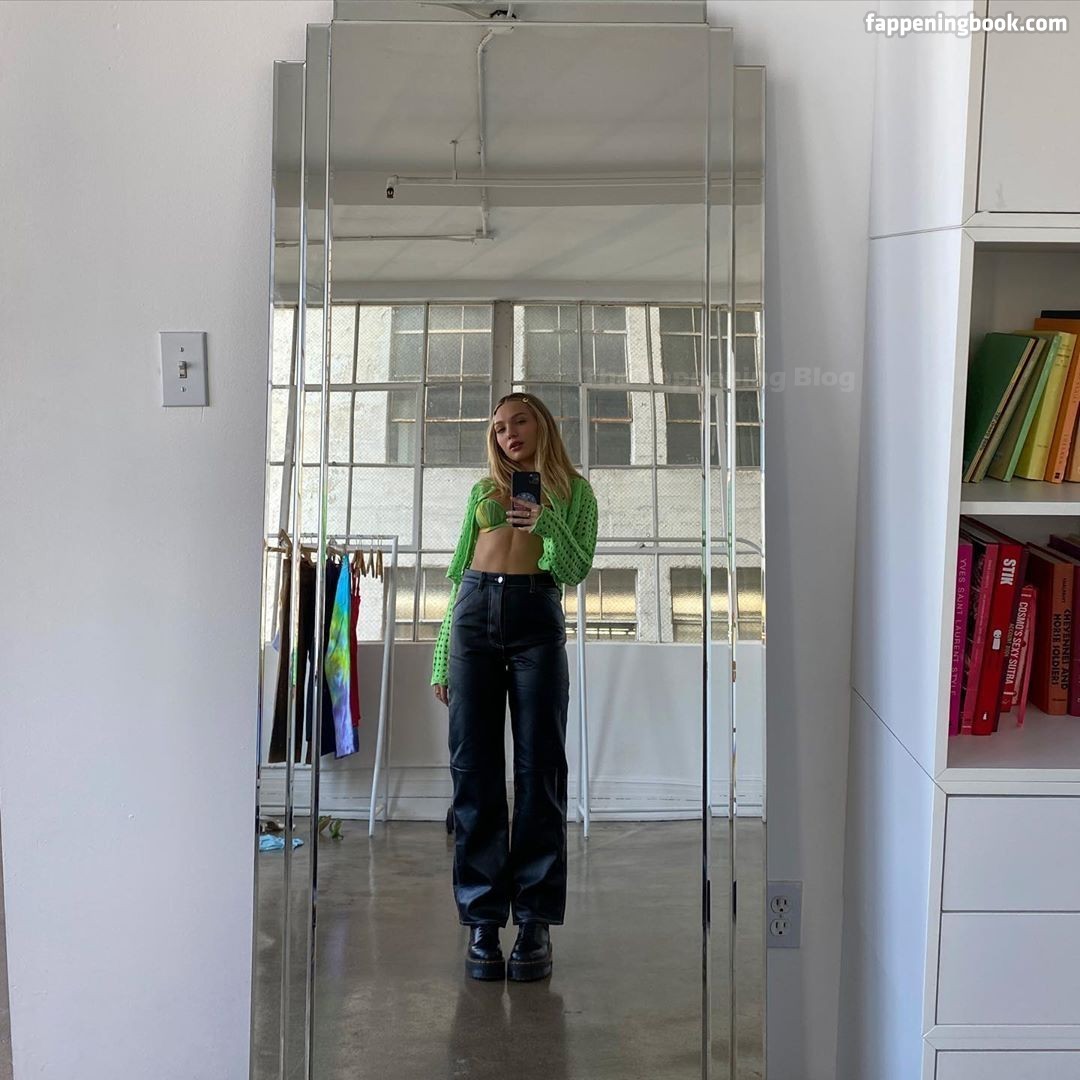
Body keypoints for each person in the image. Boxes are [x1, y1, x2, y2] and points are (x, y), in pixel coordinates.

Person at [431, 391, 598, 981]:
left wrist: (544, 519)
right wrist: (441, 656)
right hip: (474, 614)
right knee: (473, 771)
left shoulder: (576, 492)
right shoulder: (483, 492)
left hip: (536, 618)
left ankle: (534, 923)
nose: (509, 434)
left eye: (518, 421)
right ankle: (482, 921)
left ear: (541, 424)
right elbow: (459, 570)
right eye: (499, 428)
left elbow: (574, 569)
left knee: (540, 770)